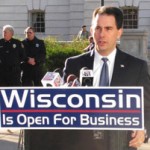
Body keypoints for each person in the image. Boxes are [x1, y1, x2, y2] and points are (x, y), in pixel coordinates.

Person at [63, 6, 150, 150]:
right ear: (91, 31)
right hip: (80, 144)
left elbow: (147, 107)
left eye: (108, 29)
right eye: (98, 28)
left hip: (120, 143)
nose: (101, 34)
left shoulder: (137, 67)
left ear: (119, 33)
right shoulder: (74, 64)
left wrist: (143, 129)